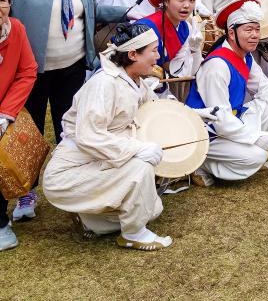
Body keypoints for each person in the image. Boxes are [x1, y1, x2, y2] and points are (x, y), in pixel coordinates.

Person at [0, 0, 127, 223]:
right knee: (20, 137)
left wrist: (129, 12)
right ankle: (23, 193)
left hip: (71, 67)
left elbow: (91, 10)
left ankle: (73, 189)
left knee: (69, 131)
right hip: (27, 71)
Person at [42, 24, 186, 251]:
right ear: (132, 54)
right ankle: (133, 234)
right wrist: (136, 150)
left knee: (152, 208)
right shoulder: (104, 84)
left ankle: (91, 221)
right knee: (141, 169)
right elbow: (88, 136)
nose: (158, 57)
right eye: (154, 50)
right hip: (68, 174)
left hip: (100, 159)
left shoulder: (134, 80)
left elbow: (156, 109)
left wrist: (196, 116)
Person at [185, 0, 268, 186]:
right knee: (257, 156)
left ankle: (237, 152)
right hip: (208, 134)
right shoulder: (217, 65)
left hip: (230, 121)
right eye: (248, 30)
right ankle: (201, 163)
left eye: (257, 29)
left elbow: (264, 87)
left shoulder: (245, 56)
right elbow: (220, 118)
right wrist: (255, 137)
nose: (255, 35)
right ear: (231, 33)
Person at [0, 0, 38, 252]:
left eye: (1, 0)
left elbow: (27, 70)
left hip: (5, 109)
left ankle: (1, 224)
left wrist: (5, 113)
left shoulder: (16, 29)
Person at [135, 0, 204, 79]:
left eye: (192, 0)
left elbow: (181, 71)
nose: (187, 5)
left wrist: (195, 50)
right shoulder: (146, 28)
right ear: (166, 1)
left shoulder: (186, 27)